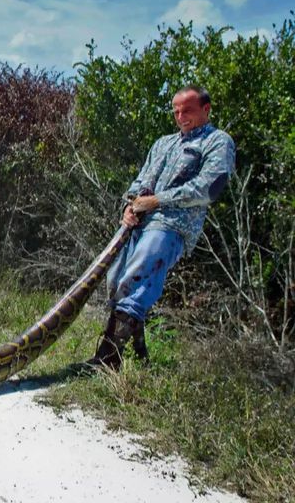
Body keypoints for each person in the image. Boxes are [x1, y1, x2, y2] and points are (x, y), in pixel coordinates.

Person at [88, 85, 236, 370]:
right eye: (176, 111)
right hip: (138, 223)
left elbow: (208, 188)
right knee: (116, 282)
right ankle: (140, 360)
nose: (181, 116)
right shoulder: (163, 143)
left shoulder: (218, 141)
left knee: (136, 280)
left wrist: (156, 201)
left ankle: (106, 361)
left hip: (172, 225)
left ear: (206, 109)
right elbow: (140, 180)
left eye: (188, 110)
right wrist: (128, 207)